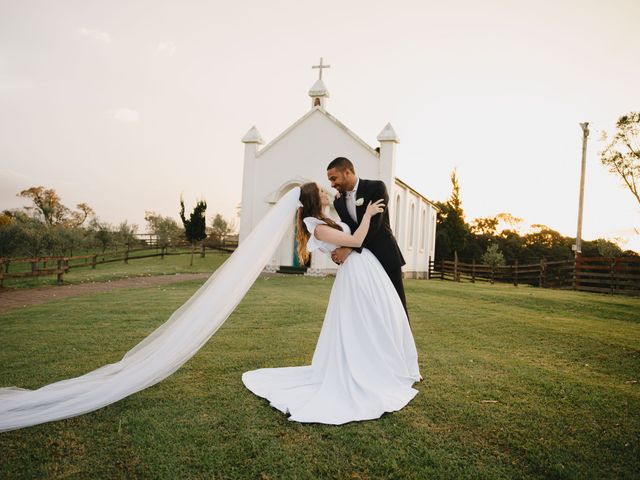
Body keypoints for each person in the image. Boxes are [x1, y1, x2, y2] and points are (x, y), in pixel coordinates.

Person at [242, 182, 420, 425]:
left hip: (365, 269)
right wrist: (367, 214)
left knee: (378, 319)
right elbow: (356, 240)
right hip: (356, 274)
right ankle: (369, 369)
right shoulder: (317, 228)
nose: (327, 191)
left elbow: (349, 235)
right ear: (315, 199)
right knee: (365, 323)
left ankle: (385, 364)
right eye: (321, 191)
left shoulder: (326, 219)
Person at [326, 157, 408, 314]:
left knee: (397, 306)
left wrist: (348, 248)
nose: (332, 184)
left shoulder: (376, 187)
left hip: (385, 256)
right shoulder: (338, 202)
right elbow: (350, 229)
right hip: (362, 263)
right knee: (370, 309)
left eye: (334, 178)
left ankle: (402, 339)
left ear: (347, 172)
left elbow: (374, 225)